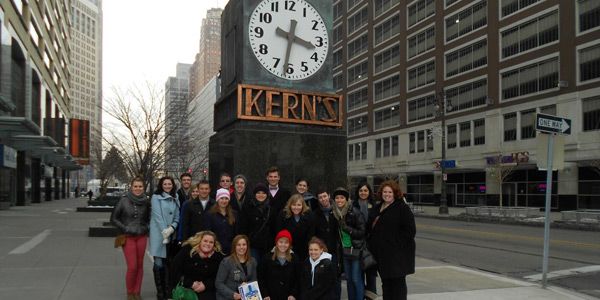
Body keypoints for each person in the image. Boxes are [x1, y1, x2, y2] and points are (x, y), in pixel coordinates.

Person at [369, 180, 415, 300]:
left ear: (395, 193)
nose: (387, 194)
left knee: (398, 285)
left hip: (397, 256)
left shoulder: (402, 208)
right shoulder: (377, 207)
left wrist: (396, 245)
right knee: (386, 284)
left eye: (390, 192)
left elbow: (410, 231)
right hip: (381, 256)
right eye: (385, 192)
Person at [110, 177, 150, 300]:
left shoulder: (147, 202)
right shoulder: (123, 201)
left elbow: (149, 218)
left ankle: (137, 292)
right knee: (132, 266)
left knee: (140, 266)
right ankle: (130, 292)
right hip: (128, 237)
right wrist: (125, 228)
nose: (138, 189)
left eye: (140, 186)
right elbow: (113, 219)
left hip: (141, 236)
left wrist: (146, 227)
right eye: (135, 186)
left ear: (144, 188)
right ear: (131, 187)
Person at [149, 176, 180, 300]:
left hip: (170, 234)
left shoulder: (175, 197)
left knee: (168, 263)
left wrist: (172, 228)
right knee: (158, 262)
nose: (167, 186)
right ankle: (160, 292)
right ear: (161, 185)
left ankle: (168, 290)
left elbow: (177, 216)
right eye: (165, 184)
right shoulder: (156, 197)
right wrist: (165, 231)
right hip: (158, 235)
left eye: (169, 184)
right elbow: (157, 216)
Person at [171, 231, 225, 300]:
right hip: (185, 288)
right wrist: (190, 283)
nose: (208, 244)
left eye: (211, 242)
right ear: (200, 241)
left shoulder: (217, 257)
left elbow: (218, 277)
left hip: (206, 290)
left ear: (214, 245)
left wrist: (205, 285)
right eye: (205, 241)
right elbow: (175, 269)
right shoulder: (187, 250)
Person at [332, 187, 365, 300]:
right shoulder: (335, 214)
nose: (339, 200)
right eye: (337, 198)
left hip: (355, 250)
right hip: (344, 251)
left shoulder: (354, 212)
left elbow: (362, 232)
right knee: (349, 280)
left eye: (342, 197)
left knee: (356, 279)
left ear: (346, 199)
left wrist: (348, 229)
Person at [313, 187, 341, 300]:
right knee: (322, 279)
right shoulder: (315, 214)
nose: (323, 199)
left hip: (335, 251)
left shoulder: (337, 211)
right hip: (320, 252)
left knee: (335, 279)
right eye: (320, 197)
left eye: (325, 196)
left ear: (329, 196)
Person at [239, 183, 276, 265]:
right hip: (253, 245)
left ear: (267, 195)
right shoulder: (247, 208)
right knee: (253, 265)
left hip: (267, 245)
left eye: (263, 193)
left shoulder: (271, 209)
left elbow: (274, 228)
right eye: (258, 193)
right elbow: (243, 227)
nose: (261, 195)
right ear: (254, 194)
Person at [353, 182, 378, 299]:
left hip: (372, 245)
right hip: (358, 245)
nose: (363, 193)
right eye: (361, 190)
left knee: (371, 275)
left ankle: (371, 297)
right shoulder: (353, 206)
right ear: (358, 192)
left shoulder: (375, 206)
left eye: (365, 190)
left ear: (369, 192)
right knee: (359, 275)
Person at [257, 229, 299, 300]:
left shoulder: (295, 258)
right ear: (276, 242)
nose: (283, 245)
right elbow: (261, 278)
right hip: (270, 297)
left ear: (289, 244)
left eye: (286, 242)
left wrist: (293, 294)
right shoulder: (267, 258)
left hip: (288, 297)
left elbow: (298, 279)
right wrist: (265, 294)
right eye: (281, 242)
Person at [215, 235, 258, 300]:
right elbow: (218, 283)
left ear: (247, 246)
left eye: (244, 244)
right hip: (228, 297)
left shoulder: (252, 261)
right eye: (238, 245)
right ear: (234, 246)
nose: (241, 247)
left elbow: (254, 280)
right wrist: (233, 294)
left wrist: (247, 285)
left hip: (246, 296)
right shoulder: (226, 262)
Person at [275, 194, 315, 262]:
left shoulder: (309, 215)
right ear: (290, 205)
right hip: (287, 248)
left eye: (299, 205)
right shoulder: (283, 214)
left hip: (304, 248)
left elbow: (311, 232)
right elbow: (279, 231)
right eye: (294, 205)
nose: (296, 207)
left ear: (303, 205)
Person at [204, 188, 238, 255]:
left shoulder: (234, 214)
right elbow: (208, 232)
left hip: (230, 250)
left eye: (226, 198)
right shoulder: (210, 214)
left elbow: (236, 233)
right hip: (215, 249)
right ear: (217, 199)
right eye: (222, 198)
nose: (224, 201)